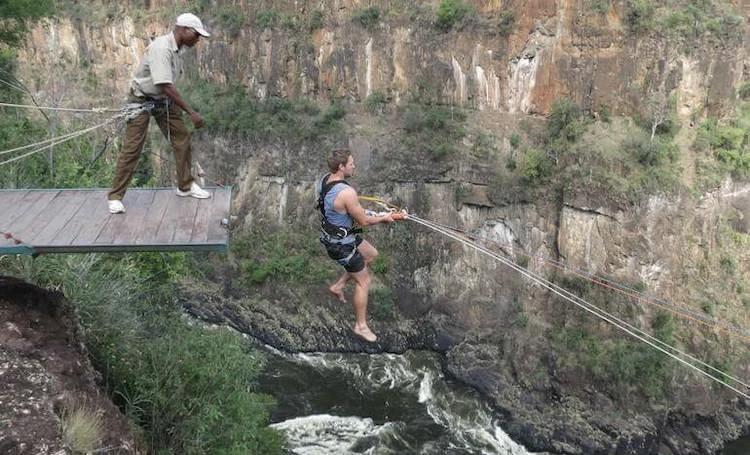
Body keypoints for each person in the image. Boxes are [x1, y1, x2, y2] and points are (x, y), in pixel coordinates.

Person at [107, 13, 211, 214]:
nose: (198, 40)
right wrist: (191, 113)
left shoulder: (177, 49)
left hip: (163, 100)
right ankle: (115, 197)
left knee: (181, 138)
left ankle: (185, 186)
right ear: (183, 30)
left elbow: (166, 89)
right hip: (142, 99)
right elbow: (164, 84)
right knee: (133, 147)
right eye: (196, 35)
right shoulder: (162, 48)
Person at [317, 149, 405, 342]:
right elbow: (363, 221)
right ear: (341, 167)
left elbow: (349, 211)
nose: (354, 166)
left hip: (338, 236)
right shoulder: (347, 192)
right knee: (363, 282)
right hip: (342, 245)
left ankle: (338, 286)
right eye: (351, 163)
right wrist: (384, 218)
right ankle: (361, 326)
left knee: (371, 254)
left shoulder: (326, 180)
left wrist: (382, 214)